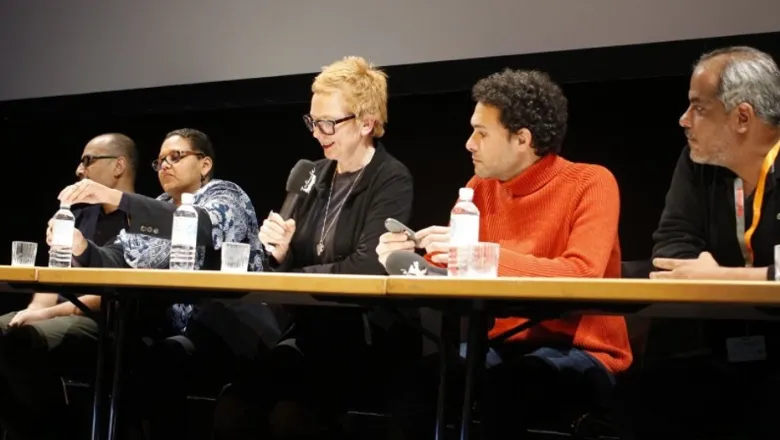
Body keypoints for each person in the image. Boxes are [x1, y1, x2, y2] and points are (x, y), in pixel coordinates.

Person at [376, 69, 632, 437]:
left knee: (510, 387)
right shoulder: (479, 189)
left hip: (582, 351)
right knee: (417, 384)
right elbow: (457, 268)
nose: (469, 143)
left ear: (522, 139)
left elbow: (583, 274)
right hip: (498, 347)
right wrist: (418, 255)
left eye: (482, 133)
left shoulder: (591, 182)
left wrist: (483, 255)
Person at [212, 56, 418, 440]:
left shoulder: (391, 179)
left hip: (361, 337)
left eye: (328, 123)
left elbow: (368, 268)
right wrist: (282, 253)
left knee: (291, 417)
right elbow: (293, 266)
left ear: (366, 123)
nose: (317, 132)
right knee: (233, 404)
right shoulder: (313, 174)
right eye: (312, 121)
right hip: (307, 331)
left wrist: (291, 275)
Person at [51, 128, 279, 439]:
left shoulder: (227, 197)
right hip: (172, 331)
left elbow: (198, 225)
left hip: (230, 328)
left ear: (205, 164)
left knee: (159, 363)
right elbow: (119, 258)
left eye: (175, 156)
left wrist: (115, 197)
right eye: (159, 162)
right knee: (117, 361)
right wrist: (81, 247)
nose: (165, 166)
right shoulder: (155, 206)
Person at [649, 46, 780, 438]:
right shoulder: (696, 162)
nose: (684, 120)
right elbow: (671, 249)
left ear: (742, 117)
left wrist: (721, 277)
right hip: (725, 344)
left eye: (698, 108)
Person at [0, 133, 137, 440]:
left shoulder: (140, 220)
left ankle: (55, 430)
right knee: (7, 329)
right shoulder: (77, 214)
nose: (79, 169)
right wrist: (35, 309)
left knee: (23, 340)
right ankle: (33, 428)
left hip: (105, 321)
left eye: (89, 160)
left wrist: (45, 317)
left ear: (118, 166)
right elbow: (55, 273)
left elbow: (114, 290)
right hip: (59, 314)